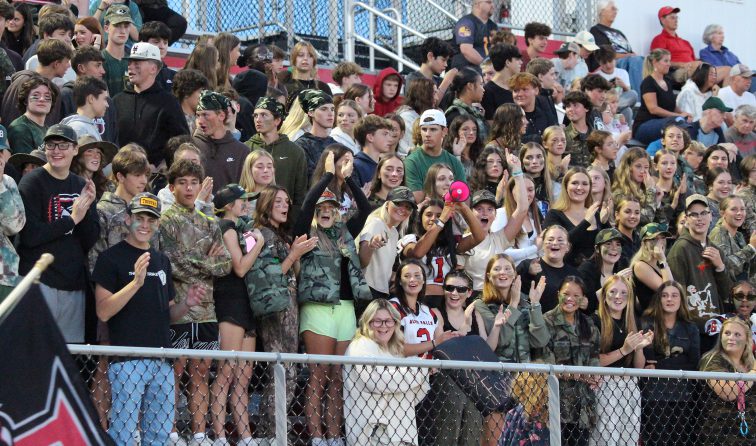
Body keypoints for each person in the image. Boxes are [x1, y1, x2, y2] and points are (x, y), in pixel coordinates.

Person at [92, 192, 204, 445]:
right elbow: (103, 311)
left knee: (160, 437)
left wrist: (187, 304)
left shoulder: (162, 260)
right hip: (127, 360)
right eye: (139, 218)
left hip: (162, 361)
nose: (145, 225)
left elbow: (168, 315)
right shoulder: (110, 258)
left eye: (151, 220)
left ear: (158, 223)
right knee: (122, 433)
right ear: (128, 218)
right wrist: (135, 284)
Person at [159, 159, 232, 445]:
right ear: (171, 186)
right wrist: (207, 262)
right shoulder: (167, 220)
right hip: (177, 309)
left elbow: (225, 264)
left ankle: (200, 433)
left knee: (201, 371)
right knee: (175, 372)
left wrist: (205, 262)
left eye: (193, 183)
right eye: (183, 183)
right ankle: (172, 430)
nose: (189, 188)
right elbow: (172, 262)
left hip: (207, 311)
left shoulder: (210, 221)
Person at [246, 185, 316, 444]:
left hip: (290, 306)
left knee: (289, 370)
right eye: (278, 202)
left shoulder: (280, 235)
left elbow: (291, 274)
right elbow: (267, 277)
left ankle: (277, 429)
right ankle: (271, 432)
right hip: (274, 308)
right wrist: (293, 254)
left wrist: (296, 253)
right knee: (282, 370)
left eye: (287, 201)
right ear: (265, 205)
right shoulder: (260, 234)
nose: (285, 206)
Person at [17, 124, 98, 343]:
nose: (56, 151)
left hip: (73, 284)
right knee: (37, 349)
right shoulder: (32, 182)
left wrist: (88, 208)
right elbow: (30, 235)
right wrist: (71, 219)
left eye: (63, 145)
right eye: (51, 145)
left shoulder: (81, 184)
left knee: (69, 354)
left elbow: (89, 239)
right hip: (39, 281)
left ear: (75, 150)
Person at [207, 184, 264, 445]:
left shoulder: (240, 227)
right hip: (230, 301)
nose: (247, 204)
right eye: (242, 200)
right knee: (227, 372)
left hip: (246, 302)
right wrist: (258, 244)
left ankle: (246, 437)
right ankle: (218, 435)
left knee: (243, 376)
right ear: (229, 204)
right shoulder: (226, 227)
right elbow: (239, 267)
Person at [343, 298, 429, 446]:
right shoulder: (360, 346)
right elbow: (381, 382)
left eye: (389, 321)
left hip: (399, 432)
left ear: (395, 323)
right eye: (377, 321)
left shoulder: (392, 350)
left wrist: (419, 369)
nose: (383, 326)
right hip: (373, 433)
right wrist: (419, 368)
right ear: (367, 322)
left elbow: (414, 393)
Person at [539, 276, 600, 445]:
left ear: (583, 299)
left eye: (576, 295)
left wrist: (595, 375)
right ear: (558, 294)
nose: (570, 299)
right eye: (566, 293)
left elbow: (595, 355)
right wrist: (580, 375)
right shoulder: (546, 321)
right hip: (554, 406)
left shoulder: (588, 323)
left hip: (583, 408)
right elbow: (547, 363)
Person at [591, 275, 652, 446]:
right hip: (604, 385)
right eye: (613, 292)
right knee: (606, 439)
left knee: (629, 439)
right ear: (604, 295)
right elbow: (594, 362)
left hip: (630, 385)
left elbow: (638, 367)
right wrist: (623, 350)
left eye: (624, 293)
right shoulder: (595, 321)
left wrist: (639, 347)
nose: (618, 297)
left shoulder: (633, 322)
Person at [668, 194, 732, 352]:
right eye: (694, 214)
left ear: (711, 216)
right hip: (692, 329)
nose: (699, 218)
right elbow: (677, 293)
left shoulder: (716, 250)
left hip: (715, 328)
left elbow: (727, 294)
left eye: (704, 213)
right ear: (687, 219)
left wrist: (720, 267)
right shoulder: (680, 249)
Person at [640, 280, 700, 446]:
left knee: (681, 440)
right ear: (658, 299)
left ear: (681, 300)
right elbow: (647, 361)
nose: (669, 299)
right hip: (654, 395)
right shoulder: (647, 323)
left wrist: (660, 364)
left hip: (683, 394)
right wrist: (675, 362)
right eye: (665, 295)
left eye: (674, 295)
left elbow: (694, 362)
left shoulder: (690, 327)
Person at [114, 42, 189, 168]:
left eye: (137, 64)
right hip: (120, 174)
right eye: (130, 63)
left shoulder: (169, 102)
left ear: (153, 69)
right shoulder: (117, 100)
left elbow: (181, 141)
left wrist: (164, 165)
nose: (131, 68)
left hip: (155, 178)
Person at [245, 96, 308, 220]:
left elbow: (300, 194)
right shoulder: (245, 149)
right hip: (251, 218)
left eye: (264, 115)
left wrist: (293, 223)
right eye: (255, 116)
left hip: (284, 222)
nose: (258, 120)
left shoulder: (295, 152)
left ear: (277, 120)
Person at [699, 316, 756, 444]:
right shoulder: (712, 359)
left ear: (747, 340)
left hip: (750, 435)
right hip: (720, 433)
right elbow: (728, 392)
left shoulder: (750, 363)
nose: (731, 338)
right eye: (727, 333)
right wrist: (753, 373)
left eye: (737, 334)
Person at [357, 186, 414, 301]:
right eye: (398, 203)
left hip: (382, 292)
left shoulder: (394, 232)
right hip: (366, 290)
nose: (403, 209)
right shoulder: (376, 223)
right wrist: (371, 245)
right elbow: (361, 262)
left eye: (408, 207)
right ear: (387, 204)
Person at [544, 167, 608, 266]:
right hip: (567, 275)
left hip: (594, 275)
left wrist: (605, 223)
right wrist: (585, 222)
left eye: (585, 184)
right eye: (574, 183)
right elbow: (561, 244)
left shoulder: (595, 214)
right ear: (566, 186)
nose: (579, 188)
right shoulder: (554, 215)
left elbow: (611, 246)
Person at [1, 39, 70, 128]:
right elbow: (13, 121)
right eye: (67, 61)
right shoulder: (25, 83)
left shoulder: (51, 88)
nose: (68, 65)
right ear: (56, 64)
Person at [191, 90, 249, 192]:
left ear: (221, 115)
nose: (200, 121)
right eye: (198, 115)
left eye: (205, 115)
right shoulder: (191, 147)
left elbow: (247, 189)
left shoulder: (242, 151)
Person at [404, 109, 466, 202]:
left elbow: (464, 199)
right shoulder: (411, 162)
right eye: (424, 129)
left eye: (433, 129)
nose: (427, 134)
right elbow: (417, 199)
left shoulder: (455, 162)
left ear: (444, 131)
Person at [632, 49, 692, 144]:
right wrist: (678, 115)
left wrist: (684, 114)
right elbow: (653, 109)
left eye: (669, 61)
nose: (669, 64)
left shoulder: (667, 82)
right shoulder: (648, 82)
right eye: (666, 61)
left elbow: (673, 106)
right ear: (655, 62)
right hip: (644, 126)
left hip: (663, 123)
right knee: (676, 121)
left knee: (689, 124)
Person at [516, 225, 580, 313]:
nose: (554, 243)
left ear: (568, 247)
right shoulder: (527, 265)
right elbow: (514, 293)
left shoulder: (574, 274)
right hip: (533, 321)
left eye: (560, 240)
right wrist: (528, 275)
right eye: (550, 240)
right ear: (542, 244)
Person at [589, 0, 645, 93]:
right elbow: (604, 54)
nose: (615, 11)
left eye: (616, 9)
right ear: (602, 11)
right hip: (609, 62)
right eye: (612, 9)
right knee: (636, 61)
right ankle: (638, 100)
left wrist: (632, 55)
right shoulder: (596, 30)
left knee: (644, 60)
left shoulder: (619, 33)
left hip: (626, 62)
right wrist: (628, 56)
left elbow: (629, 51)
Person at [650, 6, 702, 86]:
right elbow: (658, 62)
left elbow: (694, 61)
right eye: (672, 18)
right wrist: (681, 64)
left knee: (726, 70)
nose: (676, 20)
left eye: (677, 18)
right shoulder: (659, 39)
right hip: (674, 72)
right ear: (663, 20)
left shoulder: (685, 42)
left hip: (691, 69)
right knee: (702, 68)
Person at [709, 196, 756, 284]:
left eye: (742, 209)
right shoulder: (718, 233)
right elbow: (725, 266)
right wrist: (751, 247)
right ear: (722, 213)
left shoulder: (739, 235)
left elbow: (746, 266)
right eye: (734, 209)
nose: (739, 213)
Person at [577, 228, 627, 312]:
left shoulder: (622, 266)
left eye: (618, 244)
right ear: (597, 248)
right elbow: (587, 305)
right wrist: (614, 283)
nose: (614, 248)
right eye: (608, 244)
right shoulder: (586, 270)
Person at [631, 222, 675, 313]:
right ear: (644, 243)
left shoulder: (660, 264)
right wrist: (663, 260)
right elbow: (669, 290)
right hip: (652, 319)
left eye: (663, 238)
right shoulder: (640, 266)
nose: (660, 242)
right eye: (654, 239)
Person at [8, 76, 56, 155]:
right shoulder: (20, 128)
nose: (42, 99)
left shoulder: (47, 129)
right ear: (25, 100)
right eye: (36, 95)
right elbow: (25, 165)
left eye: (47, 96)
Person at [0, 151, 25, 301]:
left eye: (1, 152)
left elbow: (15, 226)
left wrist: (0, 187)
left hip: (3, 274)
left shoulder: (7, 182)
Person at [296, 89, 336, 179]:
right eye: (324, 109)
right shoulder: (302, 145)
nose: (330, 113)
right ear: (311, 112)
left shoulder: (336, 145)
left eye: (332, 109)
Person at [510, 72, 558, 144]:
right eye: (516, 90)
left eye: (525, 89)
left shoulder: (546, 115)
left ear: (536, 90)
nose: (519, 94)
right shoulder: (508, 117)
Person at [449, 0, 497, 71]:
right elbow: (466, 50)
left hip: (486, 70)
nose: (493, 5)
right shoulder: (466, 22)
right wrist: (487, 66)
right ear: (477, 4)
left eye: (493, 2)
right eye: (488, 2)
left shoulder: (493, 26)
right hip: (467, 70)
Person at [445, 67, 487, 144]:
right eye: (481, 84)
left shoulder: (475, 113)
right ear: (470, 86)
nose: (483, 89)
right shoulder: (455, 115)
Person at [60, 75, 109, 140]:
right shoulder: (78, 128)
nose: (107, 105)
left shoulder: (85, 126)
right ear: (91, 99)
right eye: (105, 99)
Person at [395, 78, 436, 157]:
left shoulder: (423, 114)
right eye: (434, 93)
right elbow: (415, 144)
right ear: (424, 95)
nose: (437, 98)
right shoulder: (406, 116)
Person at [481, 43, 520, 122]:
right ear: (508, 62)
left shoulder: (518, 87)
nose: (520, 63)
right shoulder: (488, 91)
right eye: (517, 59)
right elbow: (490, 123)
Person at [100, 5, 133, 96]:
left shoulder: (135, 60)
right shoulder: (98, 60)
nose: (122, 31)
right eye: (117, 25)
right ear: (106, 28)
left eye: (126, 26)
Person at [70, 135, 116, 199]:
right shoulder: (68, 184)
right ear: (79, 156)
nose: (96, 156)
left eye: (98, 152)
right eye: (90, 151)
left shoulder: (108, 186)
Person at [352, 114, 393, 187]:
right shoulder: (355, 166)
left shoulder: (385, 164)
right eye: (385, 134)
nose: (390, 139)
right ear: (370, 137)